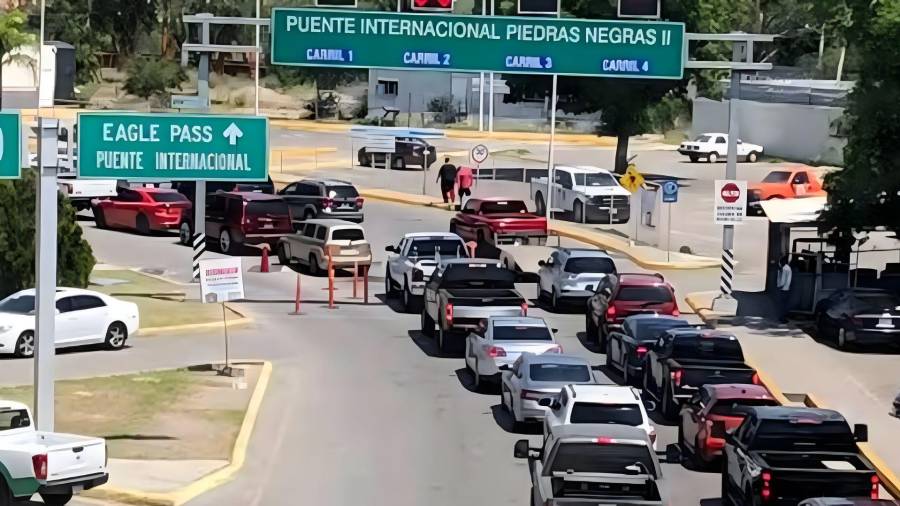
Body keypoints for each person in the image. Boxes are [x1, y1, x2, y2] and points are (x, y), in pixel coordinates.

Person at [776, 255, 793, 323]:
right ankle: (782, 317)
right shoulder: (788, 268)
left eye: (780, 261)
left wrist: (779, 286)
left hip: (783, 289)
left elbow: (783, 280)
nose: (779, 263)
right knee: (784, 304)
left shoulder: (784, 269)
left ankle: (782, 318)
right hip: (787, 289)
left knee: (782, 304)